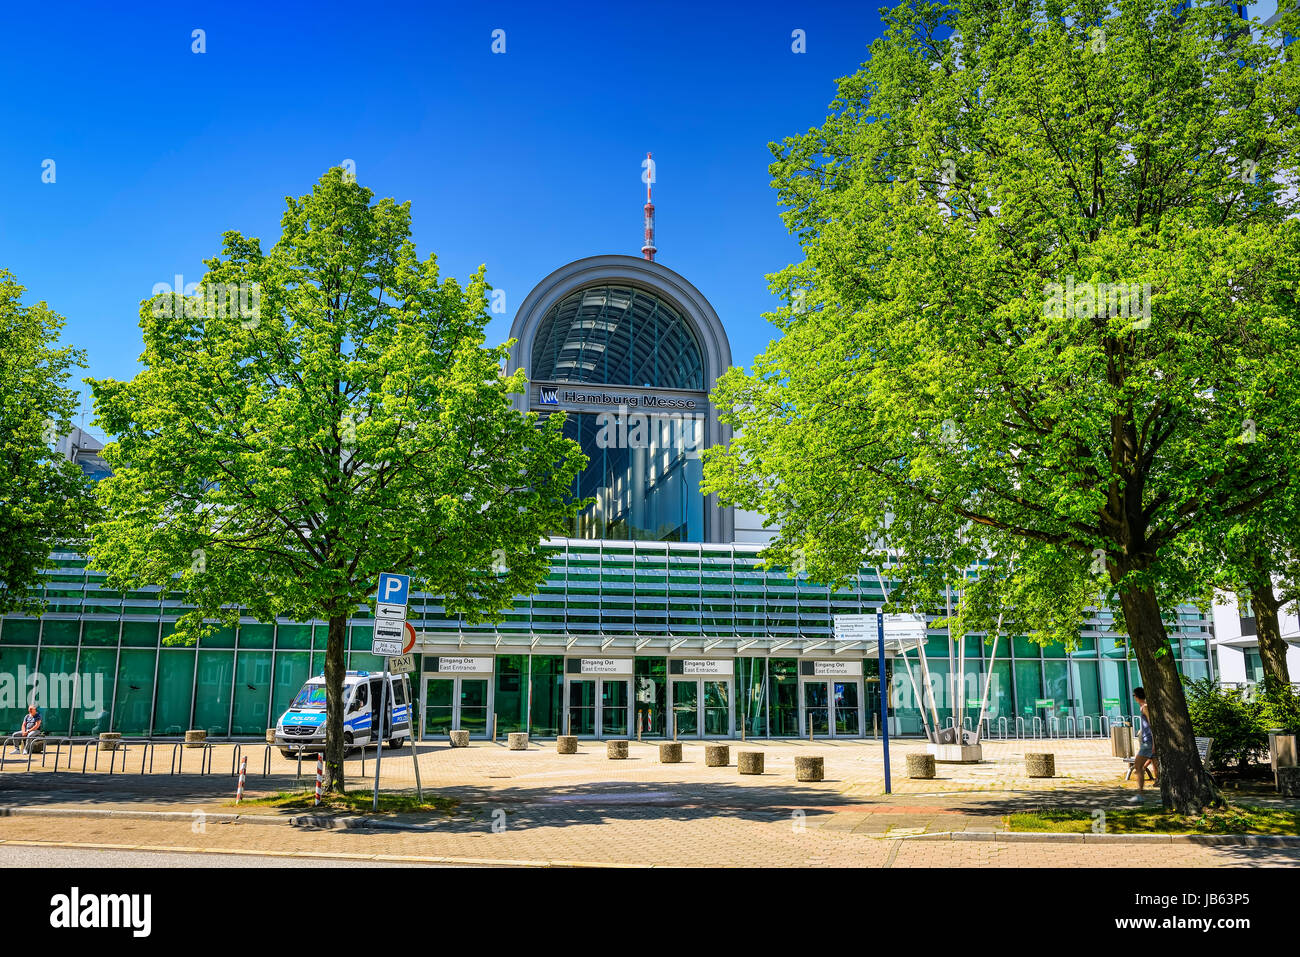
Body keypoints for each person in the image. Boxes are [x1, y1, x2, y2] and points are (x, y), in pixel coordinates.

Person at [1130, 687, 1157, 800]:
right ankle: (1163, 795)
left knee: (1137, 765)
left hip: (1149, 741)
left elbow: (1153, 725)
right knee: (1157, 767)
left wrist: (1154, 743)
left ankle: (1140, 794)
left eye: (1134, 696)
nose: (1134, 698)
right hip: (1149, 741)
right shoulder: (1144, 707)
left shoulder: (1145, 707)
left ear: (1136, 696)